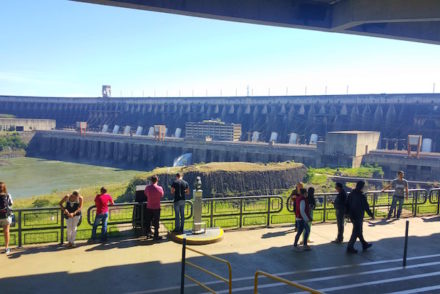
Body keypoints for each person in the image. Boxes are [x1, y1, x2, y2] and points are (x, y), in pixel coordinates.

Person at [346, 181, 373, 254]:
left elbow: (347, 204)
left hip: (352, 215)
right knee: (356, 232)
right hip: (358, 215)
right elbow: (366, 206)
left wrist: (347, 214)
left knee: (358, 231)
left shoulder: (351, 194)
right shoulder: (362, 195)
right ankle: (350, 247)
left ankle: (364, 244)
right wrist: (371, 214)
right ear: (361, 187)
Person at [144, 175, 164, 240]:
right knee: (156, 222)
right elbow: (162, 195)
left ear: (151, 180)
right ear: (157, 180)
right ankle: (156, 235)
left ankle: (148, 234)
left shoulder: (147, 188)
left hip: (149, 207)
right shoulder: (160, 188)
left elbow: (146, 194)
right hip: (157, 207)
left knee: (148, 221)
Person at [0, 182, 13, 255]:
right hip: (5, 216)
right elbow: (11, 204)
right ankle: (6, 247)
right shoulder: (8, 195)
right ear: (4, 188)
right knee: (6, 232)